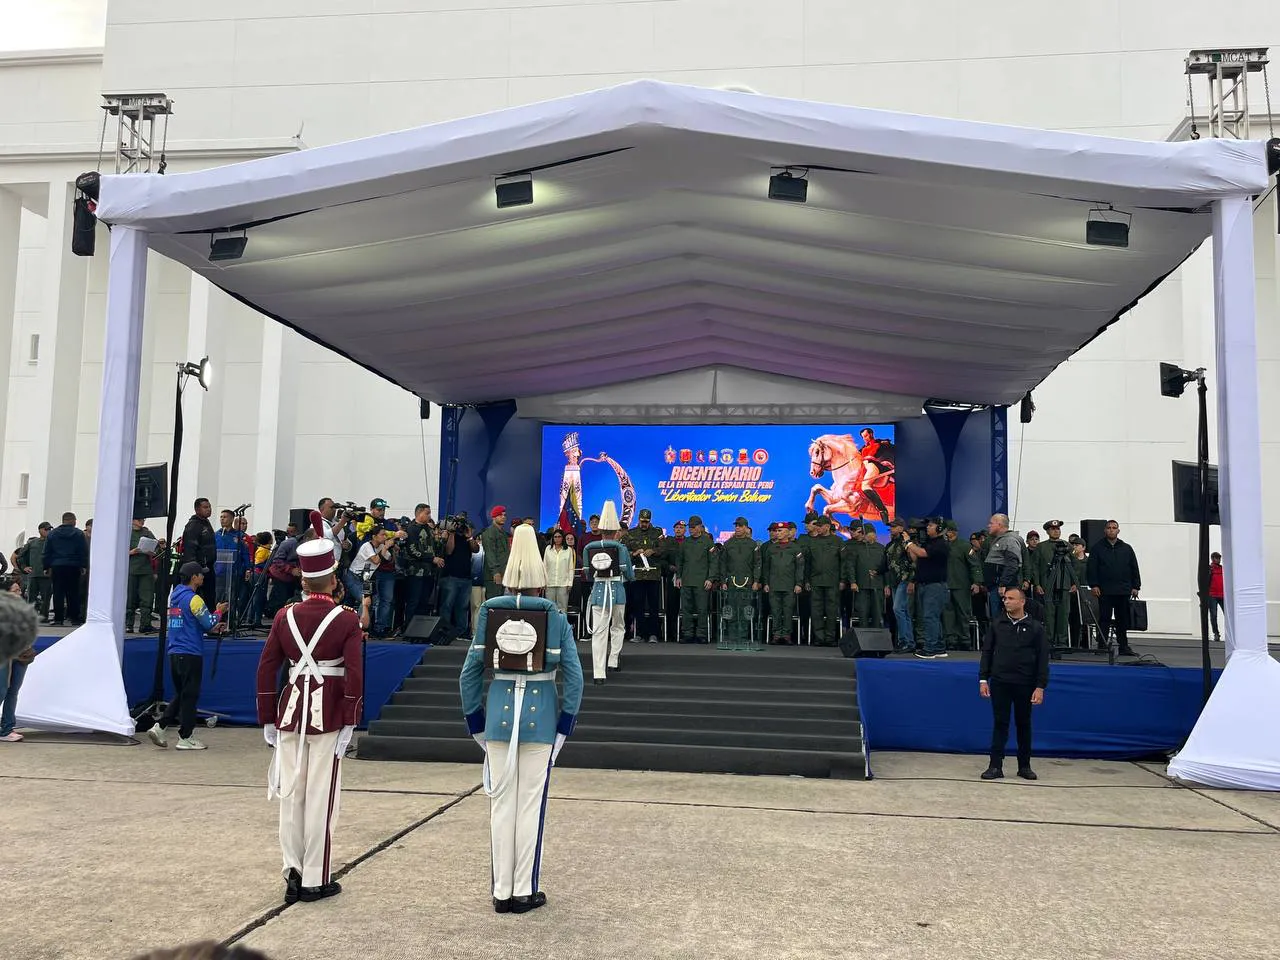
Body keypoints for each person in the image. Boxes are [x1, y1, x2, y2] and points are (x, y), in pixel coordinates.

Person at [459, 524, 584, 914]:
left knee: (501, 805)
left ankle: (500, 890)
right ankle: (523, 890)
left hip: (497, 717)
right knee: (531, 805)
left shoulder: (489, 615)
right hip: (541, 719)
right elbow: (575, 678)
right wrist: (564, 727)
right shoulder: (557, 618)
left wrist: (475, 722)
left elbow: (469, 674)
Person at [256, 513, 364, 905]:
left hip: (290, 714)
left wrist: (267, 717)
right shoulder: (347, 619)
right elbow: (354, 672)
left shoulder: (285, 616)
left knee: (291, 794)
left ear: (303, 580)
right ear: (334, 581)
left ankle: (292, 870)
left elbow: (268, 667)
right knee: (322, 796)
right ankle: (316, 878)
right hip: (330, 715)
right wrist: (352, 718)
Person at [147, 562, 227, 751]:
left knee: (183, 693)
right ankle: (185, 736)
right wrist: (219, 612)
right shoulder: (194, 599)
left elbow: (191, 623)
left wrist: (213, 625)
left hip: (174, 652)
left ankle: (160, 726)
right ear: (193, 577)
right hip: (190, 652)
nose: (203, 577)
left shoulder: (174, 597)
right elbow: (208, 622)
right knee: (190, 695)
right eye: (201, 574)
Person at [979, 586, 1049, 781]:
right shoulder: (997, 624)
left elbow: (1043, 659)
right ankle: (995, 766)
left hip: (1025, 683)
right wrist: (983, 679)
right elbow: (987, 652)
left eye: (1010, 598)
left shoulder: (1036, 628)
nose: (1006, 601)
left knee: (1023, 724)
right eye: (1005, 598)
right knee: (1000, 723)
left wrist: (1040, 686)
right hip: (1001, 682)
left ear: (1022, 601)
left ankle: (1024, 766)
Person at [583, 501, 634, 682]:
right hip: (617, 592)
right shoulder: (621, 548)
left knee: (598, 632)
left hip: (597, 593)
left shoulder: (590, 547)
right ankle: (613, 660)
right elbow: (629, 572)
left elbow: (588, 573)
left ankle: (599, 673)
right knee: (618, 626)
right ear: (616, 531)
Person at [1086, 520, 1141, 657]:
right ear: (1105, 530)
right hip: (1104, 590)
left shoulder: (1126, 548)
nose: (1111, 530)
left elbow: (1134, 567)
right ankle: (1102, 645)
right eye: (1109, 528)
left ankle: (1123, 647)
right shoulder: (1097, 548)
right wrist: (1094, 585)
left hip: (1123, 590)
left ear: (1118, 530)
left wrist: (1136, 586)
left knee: (1122, 620)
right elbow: (1091, 569)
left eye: (1114, 528)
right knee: (1104, 618)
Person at [905, 518, 949, 658]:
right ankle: (939, 647)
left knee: (930, 617)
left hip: (934, 586)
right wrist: (911, 547)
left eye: (931, 525)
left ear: (939, 528)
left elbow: (923, 553)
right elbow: (916, 558)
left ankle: (929, 649)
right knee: (933, 617)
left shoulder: (941, 544)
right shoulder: (930, 543)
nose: (927, 528)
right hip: (926, 584)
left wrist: (909, 543)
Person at [1032, 520, 1076, 652]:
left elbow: (1075, 566)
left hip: (1064, 584)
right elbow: (1035, 566)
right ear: (1047, 531)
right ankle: (1049, 641)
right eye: (1052, 529)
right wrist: (1037, 583)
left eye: (1057, 529)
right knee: (1049, 614)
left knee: (1063, 613)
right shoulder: (1041, 547)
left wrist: (1074, 582)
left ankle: (1061, 641)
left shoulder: (1068, 546)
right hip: (1048, 585)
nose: (1056, 531)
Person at [1, 581, 37, 742]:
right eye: (15, 590)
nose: (19, 593)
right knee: (2, 690)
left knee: (13, 692)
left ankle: (7, 728)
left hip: (21, 656)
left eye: (20, 590)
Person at [622, 508, 663, 643]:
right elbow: (624, 551)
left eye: (646, 521)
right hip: (637, 575)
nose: (644, 523)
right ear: (638, 519)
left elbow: (663, 549)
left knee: (653, 606)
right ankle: (639, 634)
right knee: (637, 605)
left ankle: (653, 634)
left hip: (653, 574)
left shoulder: (657, 533)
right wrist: (634, 553)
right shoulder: (631, 533)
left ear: (650, 520)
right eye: (642, 521)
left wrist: (653, 551)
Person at [719, 517, 761, 649]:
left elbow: (757, 564)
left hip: (747, 582)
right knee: (731, 610)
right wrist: (723, 581)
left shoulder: (753, 545)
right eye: (736, 526)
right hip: (731, 582)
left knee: (745, 610)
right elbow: (723, 564)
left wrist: (756, 581)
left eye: (740, 526)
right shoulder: (728, 544)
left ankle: (742, 637)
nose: (737, 528)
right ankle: (732, 637)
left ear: (746, 528)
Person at [803, 515, 844, 646]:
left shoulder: (838, 541)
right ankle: (819, 638)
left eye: (820, 526)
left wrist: (843, 579)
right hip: (816, 580)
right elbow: (807, 563)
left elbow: (844, 562)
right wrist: (807, 580)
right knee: (816, 610)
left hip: (832, 580)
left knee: (831, 610)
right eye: (817, 525)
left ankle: (830, 638)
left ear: (827, 526)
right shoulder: (812, 542)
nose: (818, 528)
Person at [760, 522, 804, 644]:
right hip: (774, 584)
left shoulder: (795, 548)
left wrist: (799, 583)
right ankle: (776, 634)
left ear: (787, 532)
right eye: (777, 531)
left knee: (788, 610)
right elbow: (766, 568)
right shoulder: (771, 548)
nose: (777, 533)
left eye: (780, 531)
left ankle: (786, 635)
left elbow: (800, 567)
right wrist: (766, 583)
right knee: (775, 610)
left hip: (790, 585)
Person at [676, 516, 717, 643]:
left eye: (693, 527)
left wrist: (710, 579)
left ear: (700, 527)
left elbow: (713, 562)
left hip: (702, 581)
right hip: (687, 580)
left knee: (702, 609)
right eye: (690, 527)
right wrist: (678, 577)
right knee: (686, 609)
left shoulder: (707, 542)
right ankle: (687, 634)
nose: (691, 530)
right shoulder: (685, 542)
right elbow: (680, 561)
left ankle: (701, 634)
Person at [439, 516, 479, 642]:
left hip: (466, 577)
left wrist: (469, 537)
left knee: (462, 607)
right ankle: (444, 630)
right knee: (447, 605)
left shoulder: (467, 539)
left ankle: (461, 631)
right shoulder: (450, 536)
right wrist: (452, 533)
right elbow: (449, 551)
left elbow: (476, 549)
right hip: (451, 576)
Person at [44, 512, 88, 626]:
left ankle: (58, 619)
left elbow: (47, 551)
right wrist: (83, 565)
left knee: (58, 592)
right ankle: (75, 618)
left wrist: (46, 566)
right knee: (74, 592)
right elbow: (83, 551)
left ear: (63, 520)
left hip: (57, 566)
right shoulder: (79, 534)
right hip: (73, 566)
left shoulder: (52, 534)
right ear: (73, 521)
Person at [982, 514, 1024, 623]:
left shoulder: (1009, 540)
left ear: (999, 525)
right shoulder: (999, 540)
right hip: (997, 587)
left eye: (991, 523)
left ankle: (1004, 640)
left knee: (1003, 621)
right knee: (998, 620)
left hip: (1003, 589)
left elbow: (1012, 564)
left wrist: (1003, 584)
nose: (988, 526)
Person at [181, 498, 218, 610]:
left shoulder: (206, 523)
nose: (209, 509)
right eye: (205, 507)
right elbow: (189, 549)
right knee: (200, 597)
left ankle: (210, 621)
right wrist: (195, 570)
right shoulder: (193, 525)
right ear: (197, 509)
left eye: (209, 507)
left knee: (210, 597)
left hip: (209, 566)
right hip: (199, 568)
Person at [884, 518, 914, 651]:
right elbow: (886, 564)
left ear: (901, 528)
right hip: (894, 581)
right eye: (891, 526)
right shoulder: (890, 544)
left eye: (894, 526)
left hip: (904, 579)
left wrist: (912, 580)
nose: (891, 528)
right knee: (903, 611)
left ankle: (904, 641)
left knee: (898, 609)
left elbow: (914, 563)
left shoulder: (907, 543)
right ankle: (908, 641)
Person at [941, 521, 973, 649]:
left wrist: (976, 582)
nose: (946, 534)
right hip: (946, 584)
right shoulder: (942, 546)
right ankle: (951, 639)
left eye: (948, 531)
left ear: (953, 531)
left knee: (963, 612)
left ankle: (965, 639)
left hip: (961, 584)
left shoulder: (965, 546)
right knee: (948, 614)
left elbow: (974, 564)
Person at [126, 517, 159, 633]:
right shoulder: (126, 532)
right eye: (139, 520)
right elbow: (117, 550)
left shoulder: (147, 532)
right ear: (132, 520)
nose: (142, 522)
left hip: (146, 570)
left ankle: (145, 624)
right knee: (130, 598)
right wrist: (131, 552)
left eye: (143, 520)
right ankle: (128, 624)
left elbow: (156, 548)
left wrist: (152, 551)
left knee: (147, 598)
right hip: (131, 570)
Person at [16, 522, 52, 622]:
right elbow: (20, 556)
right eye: (46, 529)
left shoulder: (52, 542)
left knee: (46, 597)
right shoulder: (32, 543)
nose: (48, 531)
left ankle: (44, 617)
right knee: (31, 597)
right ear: (40, 530)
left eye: (49, 529)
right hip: (34, 574)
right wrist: (24, 567)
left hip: (47, 575)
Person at [480, 506, 510, 600]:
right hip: (493, 576)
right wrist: (496, 572)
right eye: (500, 515)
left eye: (504, 515)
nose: (503, 517)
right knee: (493, 604)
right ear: (494, 517)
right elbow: (490, 554)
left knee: (500, 605)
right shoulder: (489, 533)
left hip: (503, 574)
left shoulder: (504, 534)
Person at [543, 528, 574, 614]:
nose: (557, 539)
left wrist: (570, 583)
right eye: (555, 537)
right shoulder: (548, 549)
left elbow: (570, 568)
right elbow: (544, 566)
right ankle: (551, 626)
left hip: (563, 584)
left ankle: (562, 626)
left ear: (562, 538)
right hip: (550, 583)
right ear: (553, 538)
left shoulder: (568, 550)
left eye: (559, 537)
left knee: (563, 609)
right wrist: (543, 581)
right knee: (550, 608)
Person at [1208, 552, 1225, 641]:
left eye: (1219, 558)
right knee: (1213, 615)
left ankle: (1229, 633)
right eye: (1217, 558)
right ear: (1213, 559)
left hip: (1222, 595)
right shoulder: (1210, 569)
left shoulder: (1222, 568)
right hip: (1212, 595)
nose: (1219, 560)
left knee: (1227, 614)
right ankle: (1216, 633)